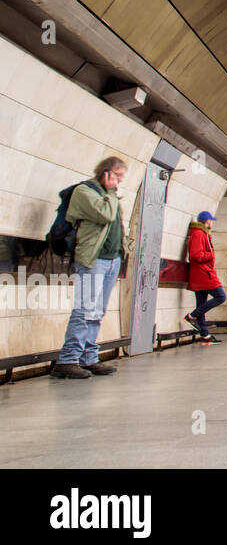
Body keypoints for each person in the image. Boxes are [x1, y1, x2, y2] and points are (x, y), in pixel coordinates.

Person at [52, 157, 129, 379]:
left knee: (97, 312)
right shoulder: (85, 192)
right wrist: (111, 193)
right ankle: (67, 360)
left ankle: (88, 357)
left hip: (112, 259)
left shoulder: (107, 196)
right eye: (117, 176)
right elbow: (104, 215)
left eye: (121, 177)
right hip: (93, 259)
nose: (119, 181)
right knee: (84, 309)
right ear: (105, 173)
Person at [183, 211, 225, 344]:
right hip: (203, 273)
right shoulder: (199, 234)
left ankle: (205, 336)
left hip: (201, 273)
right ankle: (192, 316)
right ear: (207, 221)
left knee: (201, 304)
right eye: (211, 220)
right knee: (220, 296)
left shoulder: (202, 234)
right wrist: (210, 255)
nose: (212, 222)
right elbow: (195, 255)